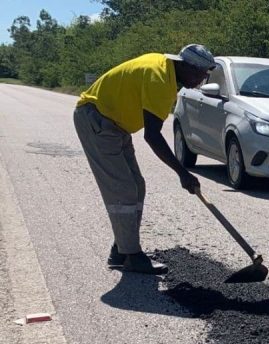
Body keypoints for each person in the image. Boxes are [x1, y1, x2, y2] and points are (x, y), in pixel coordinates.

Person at [73, 44, 216, 274]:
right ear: (188, 66)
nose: (202, 80)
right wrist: (183, 173)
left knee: (137, 186)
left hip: (115, 125)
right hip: (97, 121)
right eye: (201, 73)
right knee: (124, 190)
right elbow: (152, 135)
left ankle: (122, 249)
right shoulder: (159, 78)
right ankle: (132, 256)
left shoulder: (163, 69)